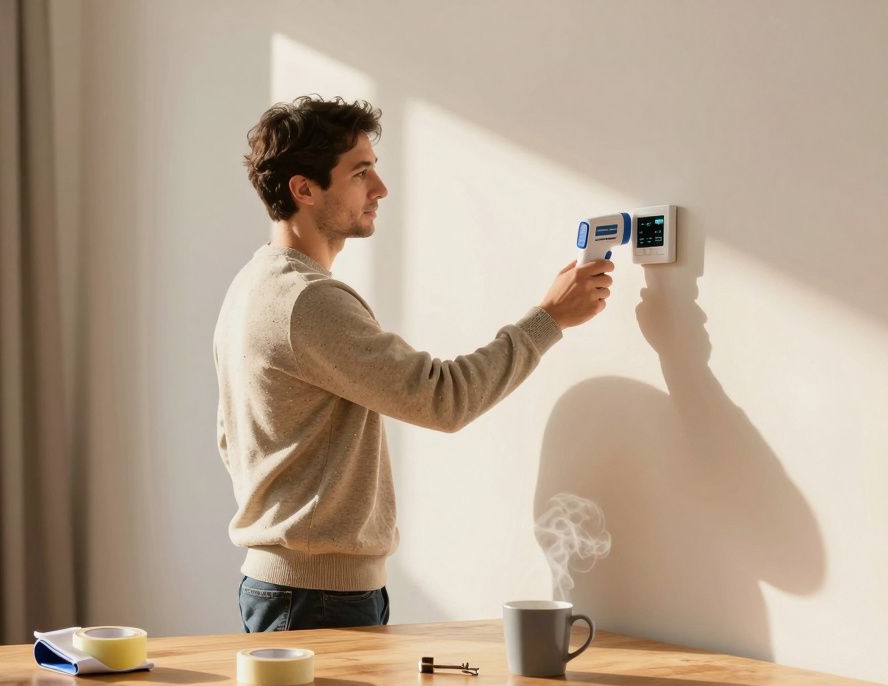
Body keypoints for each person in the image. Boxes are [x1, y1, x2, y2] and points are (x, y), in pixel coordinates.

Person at [213, 95, 614, 633]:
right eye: (361, 173)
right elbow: (442, 398)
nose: (380, 189)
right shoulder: (307, 301)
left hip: (294, 588)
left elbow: (228, 438)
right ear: (304, 189)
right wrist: (549, 319)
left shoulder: (252, 286)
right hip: (316, 597)